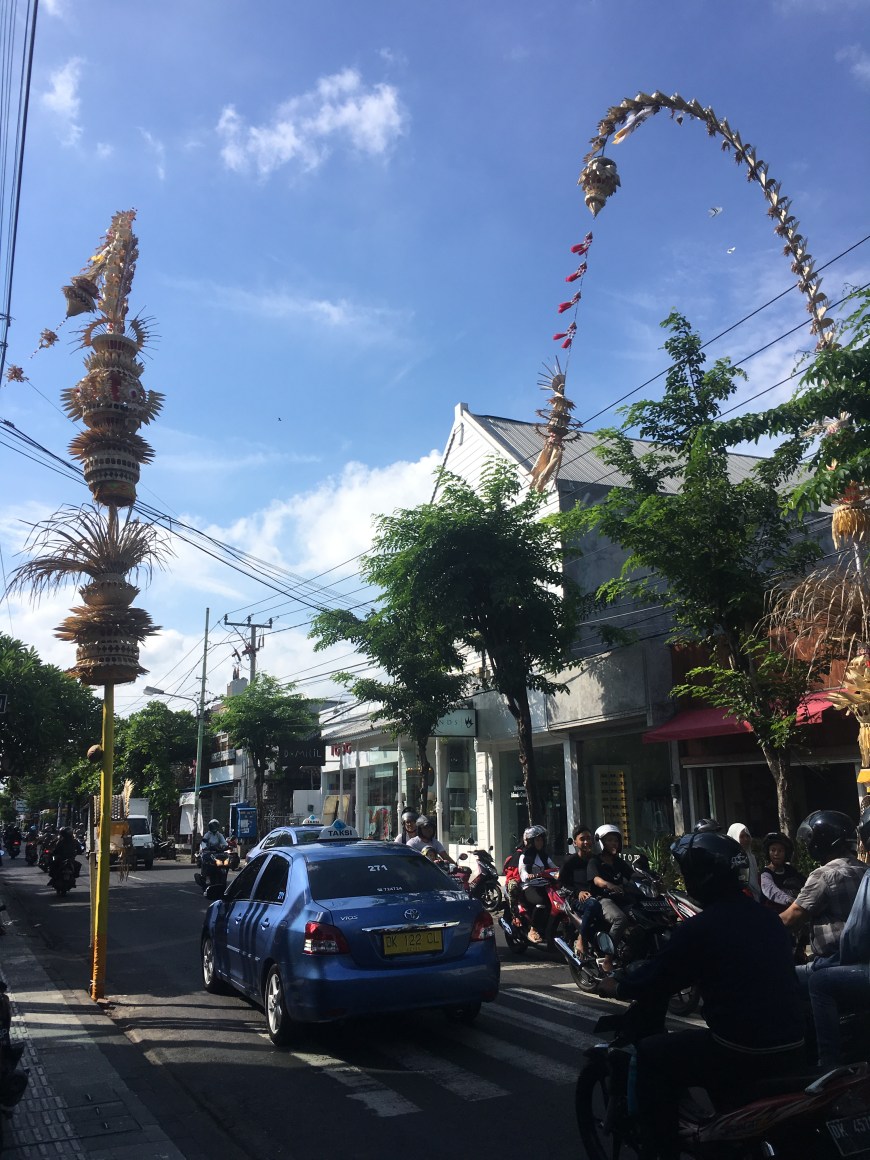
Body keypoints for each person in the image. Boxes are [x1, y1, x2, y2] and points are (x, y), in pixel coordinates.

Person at [599, 831, 805, 1160]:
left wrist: (618, 985)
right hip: (793, 1043)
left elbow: (659, 977)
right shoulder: (767, 919)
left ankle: (660, 1151)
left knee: (651, 1055)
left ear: (701, 878)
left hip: (739, 1048)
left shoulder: (701, 928)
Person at [806, 807, 870, 1069]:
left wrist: (843, 958)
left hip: (858, 961)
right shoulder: (863, 870)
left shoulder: (827, 874)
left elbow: (856, 937)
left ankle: (829, 1066)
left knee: (820, 981)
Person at [779, 810, 867, 968]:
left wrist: (760, 924)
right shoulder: (865, 870)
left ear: (821, 841)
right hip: (863, 957)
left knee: (788, 979)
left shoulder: (824, 875)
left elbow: (790, 919)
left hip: (834, 962)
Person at [588, 824, 634, 965]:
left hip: (621, 898)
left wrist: (650, 878)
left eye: (615, 840)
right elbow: (596, 880)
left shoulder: (619, 862)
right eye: (609, 840)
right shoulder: (595, 861)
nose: (613, 843)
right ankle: (608, 958)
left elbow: (633, 874)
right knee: (620, 919)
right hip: (603, 899)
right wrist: (609, 885)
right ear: (600, 842)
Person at [558, 824, 602, 956]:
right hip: (577, 899)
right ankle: (581, 940)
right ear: (575, 842)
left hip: (598, 896)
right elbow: (562, 883)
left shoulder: (596, 860)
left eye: (589, 838)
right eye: (582, 839)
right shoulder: (570, 862)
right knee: (592, 904)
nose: (587, 842)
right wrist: (578, 892)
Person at [518, 825, 557, 943]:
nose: (540, 842)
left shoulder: (544, 856)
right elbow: (522, 872)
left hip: (545, 885)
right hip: (529, 886)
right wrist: (529, 876)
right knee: (542, 902)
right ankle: (533, 929)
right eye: (537, 840)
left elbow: (554, 867)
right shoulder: (524, 856)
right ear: (531, 841)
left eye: (542, 840)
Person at [760, 831, 806, 913]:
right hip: (775, 916)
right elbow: (771, 890)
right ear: (768, 852)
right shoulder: (766, 874)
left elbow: (806, 883)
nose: (776, 853)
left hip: (794, 913)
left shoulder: (790, 870)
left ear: (786, 853)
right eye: (773, 850)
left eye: (780, 850)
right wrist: (790, 901)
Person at [727, 822, 760, 899]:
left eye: (747, 836)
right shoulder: (729, 858)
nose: (746, 839)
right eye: (741, 836)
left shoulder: (751, 857)